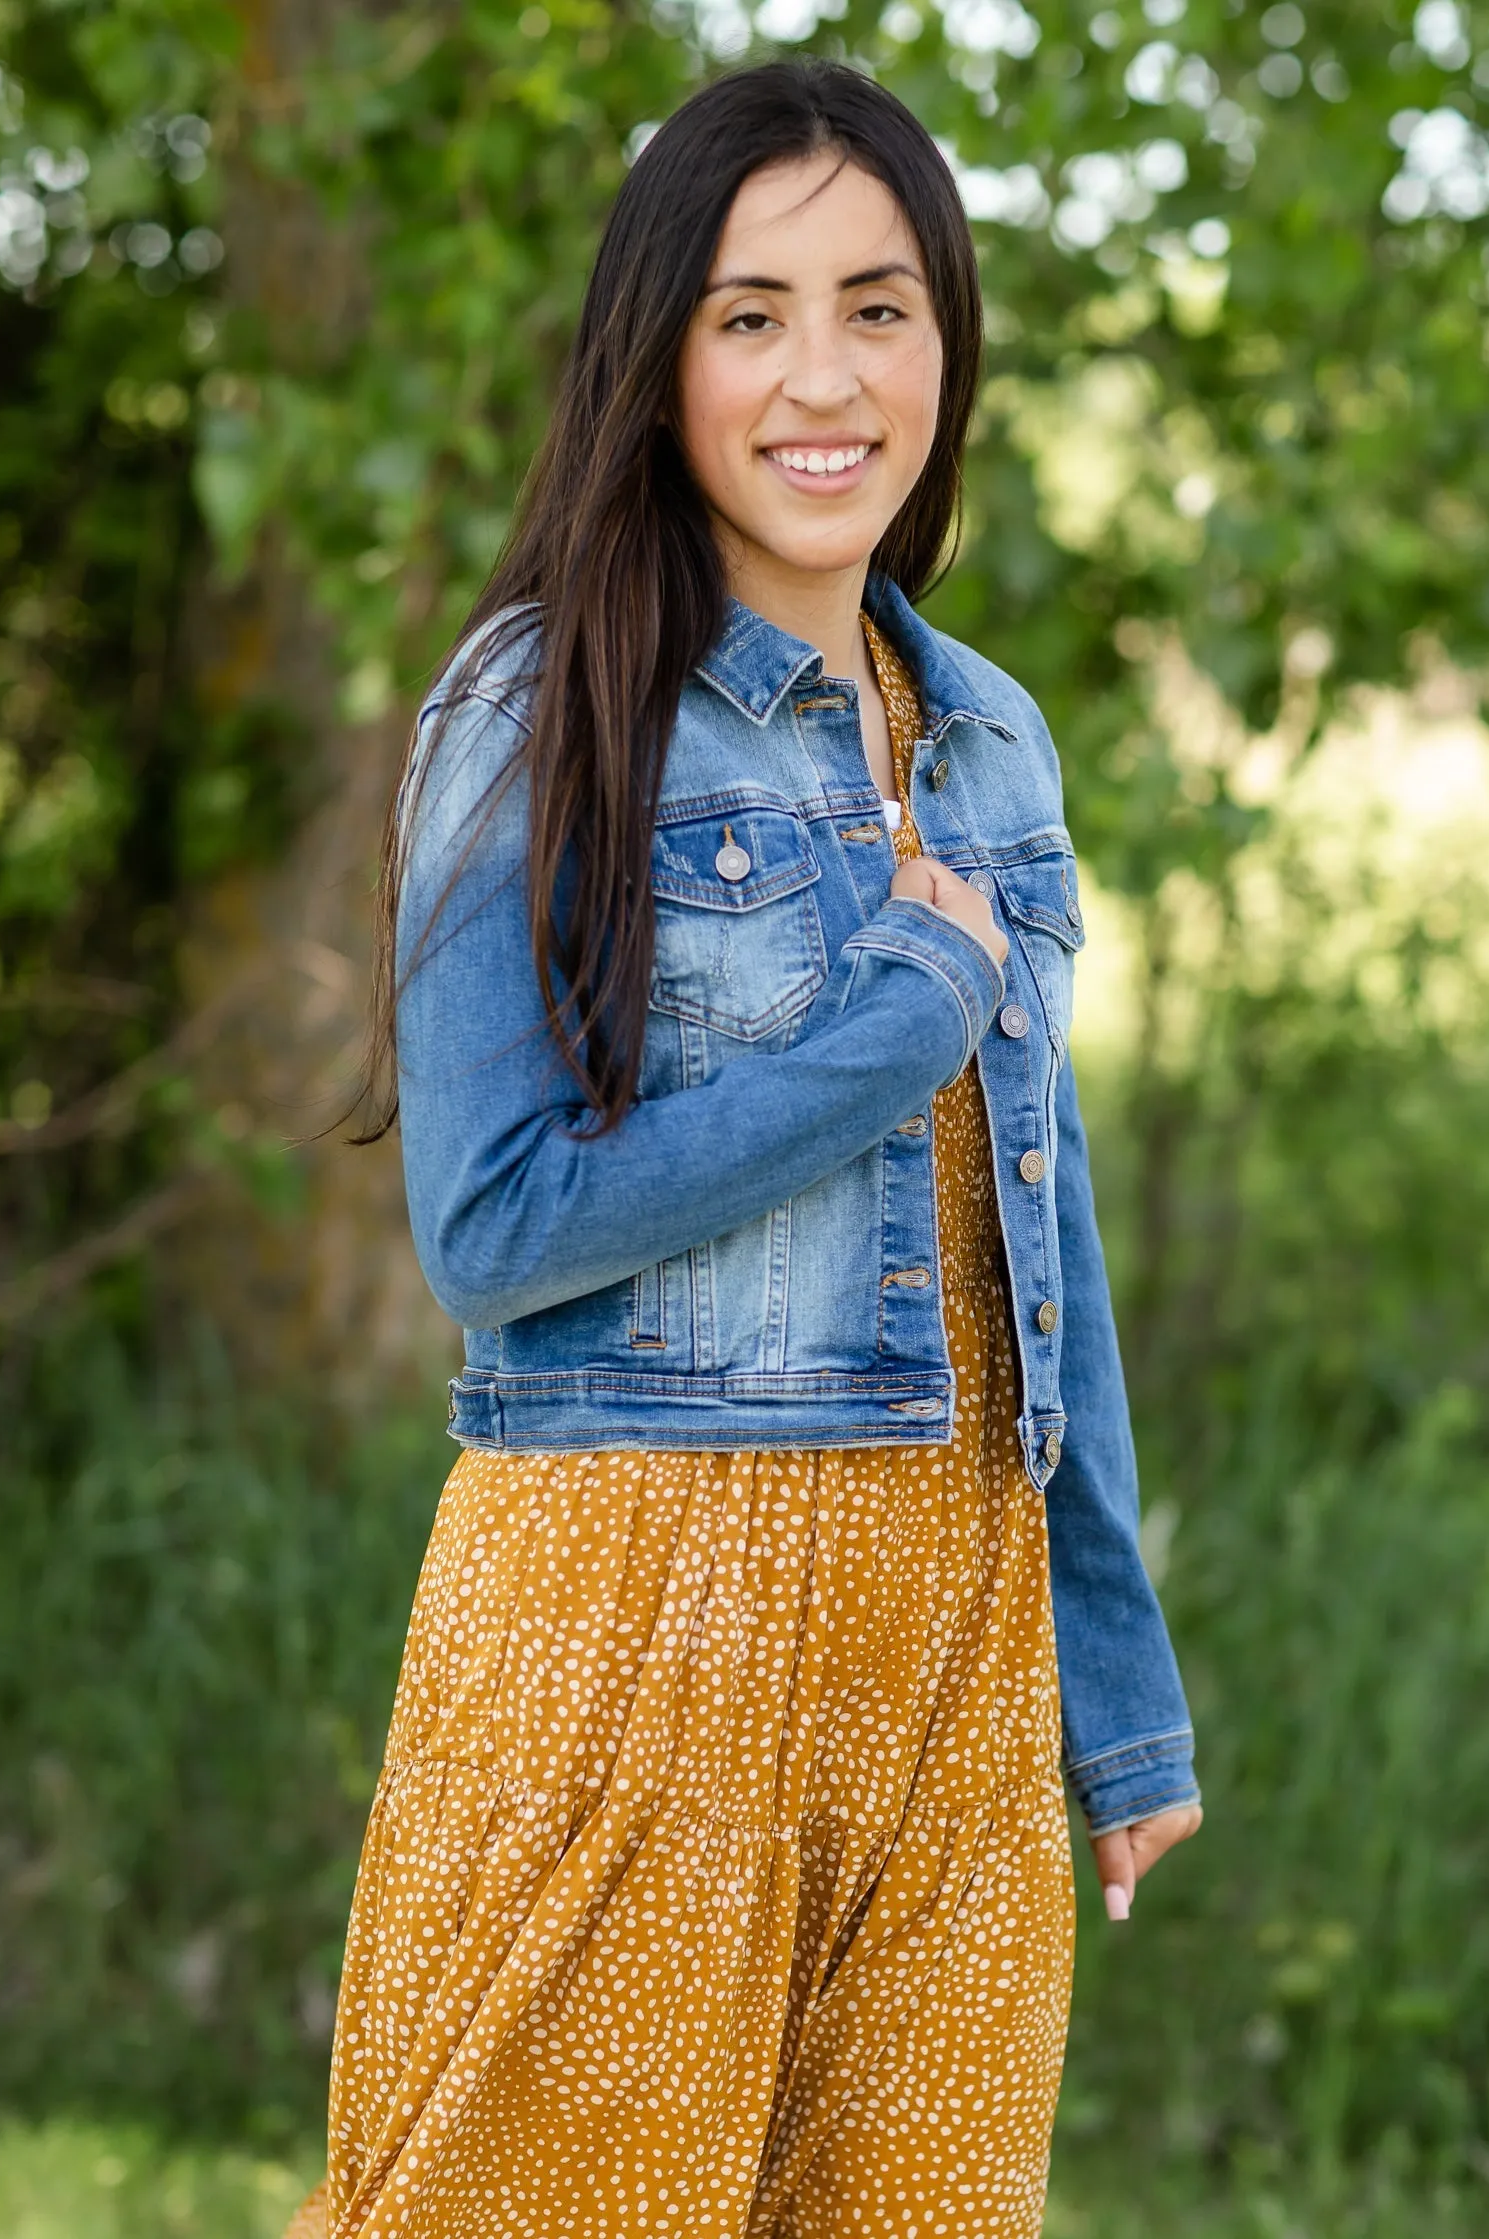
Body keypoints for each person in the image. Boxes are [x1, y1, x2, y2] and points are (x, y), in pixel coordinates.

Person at [289, 56, 1201, 2239]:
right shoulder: (548, 694)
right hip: (636, 1620)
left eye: (878, 308)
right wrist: (904, 1015)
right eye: (749, 312)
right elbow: (498, 1229)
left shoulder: (983, 732)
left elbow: (1030, 1234)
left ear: (946, 346)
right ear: (657, 357)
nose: (826, 377)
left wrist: (1119, 1675)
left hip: (962, 1651)